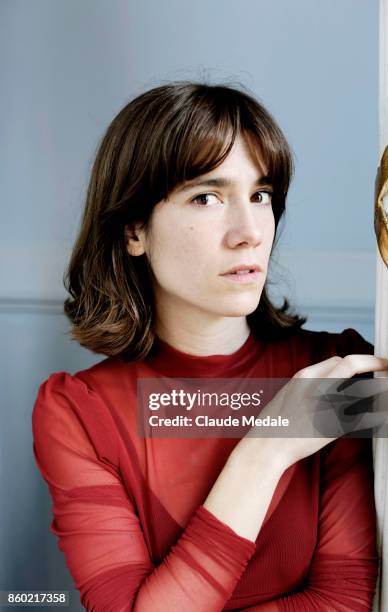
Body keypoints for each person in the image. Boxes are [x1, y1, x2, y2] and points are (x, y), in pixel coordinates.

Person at [32, 81, 388, 611]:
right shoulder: (76, 412)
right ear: (135, 230)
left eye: (260, 196)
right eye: (206, 196)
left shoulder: (332, 370)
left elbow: (346, 601)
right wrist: (267, 449)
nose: (249, 232)